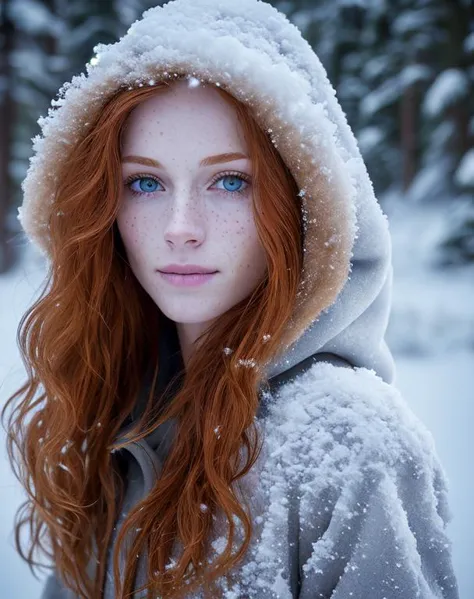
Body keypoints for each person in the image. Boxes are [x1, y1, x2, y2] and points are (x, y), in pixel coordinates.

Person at [2, 1, 459, 598]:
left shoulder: (348, 446)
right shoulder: (118, 420)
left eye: (230, 181)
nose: (180, 226)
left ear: (302, 205)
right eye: (145, 182)